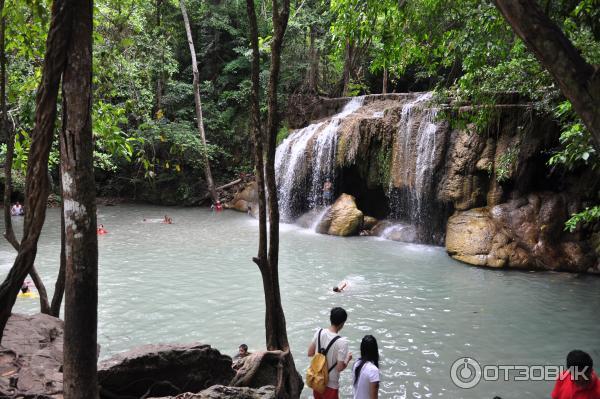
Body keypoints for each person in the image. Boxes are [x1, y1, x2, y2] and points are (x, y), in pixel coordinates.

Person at [308, 307, 352, 399]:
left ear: (330, 319)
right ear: (342, 323)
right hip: (331, 385)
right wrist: (348, 359)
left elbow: (310, 353)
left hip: (317, 380)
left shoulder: (319, 332)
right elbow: (339, 368)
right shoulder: (342, 342)